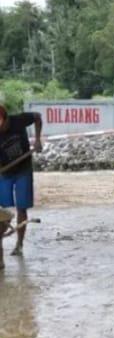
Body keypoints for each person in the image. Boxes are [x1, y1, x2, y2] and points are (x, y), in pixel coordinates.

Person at [0, 105, 42, 262]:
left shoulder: (19, 120)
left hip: (23, 170)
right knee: (2, 211)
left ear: (6, 120)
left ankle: (19, 244)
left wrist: (37, 140)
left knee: (21, 208)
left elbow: (37, 116)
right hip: (5, 173)